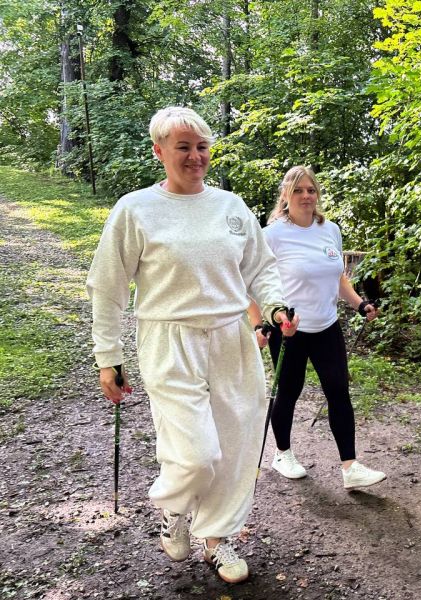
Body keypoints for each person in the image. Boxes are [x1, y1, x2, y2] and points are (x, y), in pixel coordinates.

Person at [87, 106, 299, 584]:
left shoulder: (231, 206)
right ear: (159, 150)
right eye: (183, 147)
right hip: (169, 337)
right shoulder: (135, 209)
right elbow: (108, 285)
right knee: (196, 453)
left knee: (237, 443)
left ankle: (217, 538)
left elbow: (260, 269)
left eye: (202, 146)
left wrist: (275, 306)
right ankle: (175, 507)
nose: (195, 156)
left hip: (231, 338)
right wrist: (108, 357)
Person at [248, 165, 386, 489]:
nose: (306, 196)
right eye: (298, 190)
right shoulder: (272, 235)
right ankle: (282, 453)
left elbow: (338, 276)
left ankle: (350, 467)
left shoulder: (330, 230)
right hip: (289, 328)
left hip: (326, 325)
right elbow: (251, 284)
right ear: (286, 195)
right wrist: (260, 325)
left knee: (339, 392)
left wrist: (359, 303)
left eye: (311, 190)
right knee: (289, 393)